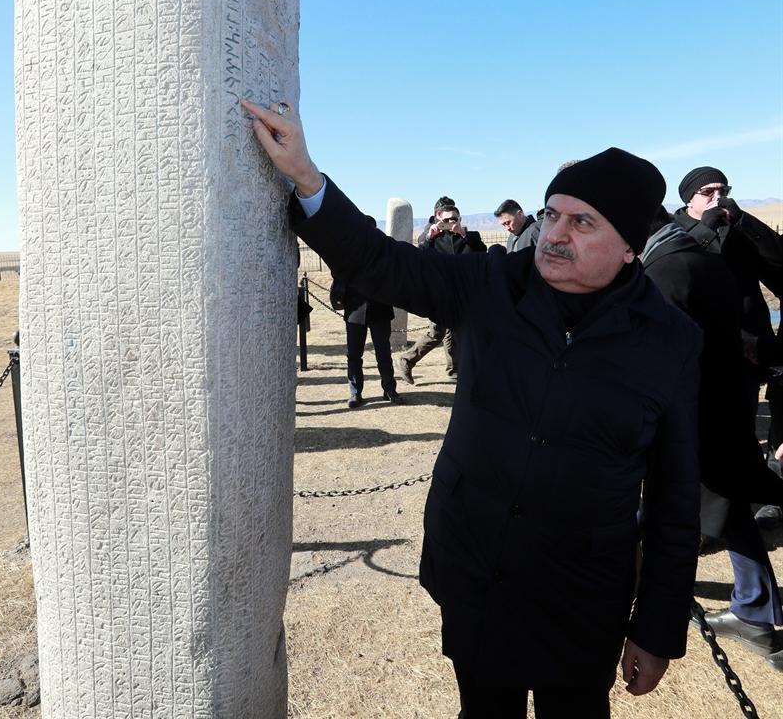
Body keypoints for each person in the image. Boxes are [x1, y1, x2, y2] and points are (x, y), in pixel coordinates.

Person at [241, 98, 702, 719]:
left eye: (583, 223)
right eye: (552, 214)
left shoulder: (670, 341)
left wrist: (656, 627)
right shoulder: (490, 286)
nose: (556, 235)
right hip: (479, 573)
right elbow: (382, 261)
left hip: (581, 595)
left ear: (629, 248)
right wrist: (306, 178)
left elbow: (676, 501)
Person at [641, 207, 783, 660]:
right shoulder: (687, 254)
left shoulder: (666, 267)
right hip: (717, 407)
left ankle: (752, 612)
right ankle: (754, 610)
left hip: (693, 414)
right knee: (723, 506)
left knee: (702, 504)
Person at [674, 166, 783, 526]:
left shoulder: (740, 233)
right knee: (698, 439)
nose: (717, 197)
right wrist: (707, 229)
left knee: (742, 435)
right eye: (707, 192)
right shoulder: (677, 234)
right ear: (689, 198)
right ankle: (706, 519)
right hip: (698, 356)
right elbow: (683, 275)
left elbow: (779, 266)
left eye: (723, 189)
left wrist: (746, 223)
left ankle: (747, 509)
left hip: (747, 354)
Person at [395, 199, 486, 385]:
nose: (451, 223)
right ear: (438, 219)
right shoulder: (431, 238)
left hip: (463, 293)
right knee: (438, 331)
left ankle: (454, 370)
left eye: (455, 219)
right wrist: (429, 238)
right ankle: (407, 359)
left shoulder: (470, 236)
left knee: (454, 332)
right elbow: (419, 259)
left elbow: (482, 253)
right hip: (439, 294)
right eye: (447, 219)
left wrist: (463, 235)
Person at [330, 215, 403, 408]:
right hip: (355, 309)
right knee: (354, 354)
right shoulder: (346, 250)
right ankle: (355, 393)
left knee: (383, 352)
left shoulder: (383, 251)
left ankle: (389, 389)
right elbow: (336, 271)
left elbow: (392, 272)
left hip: (379, 308)